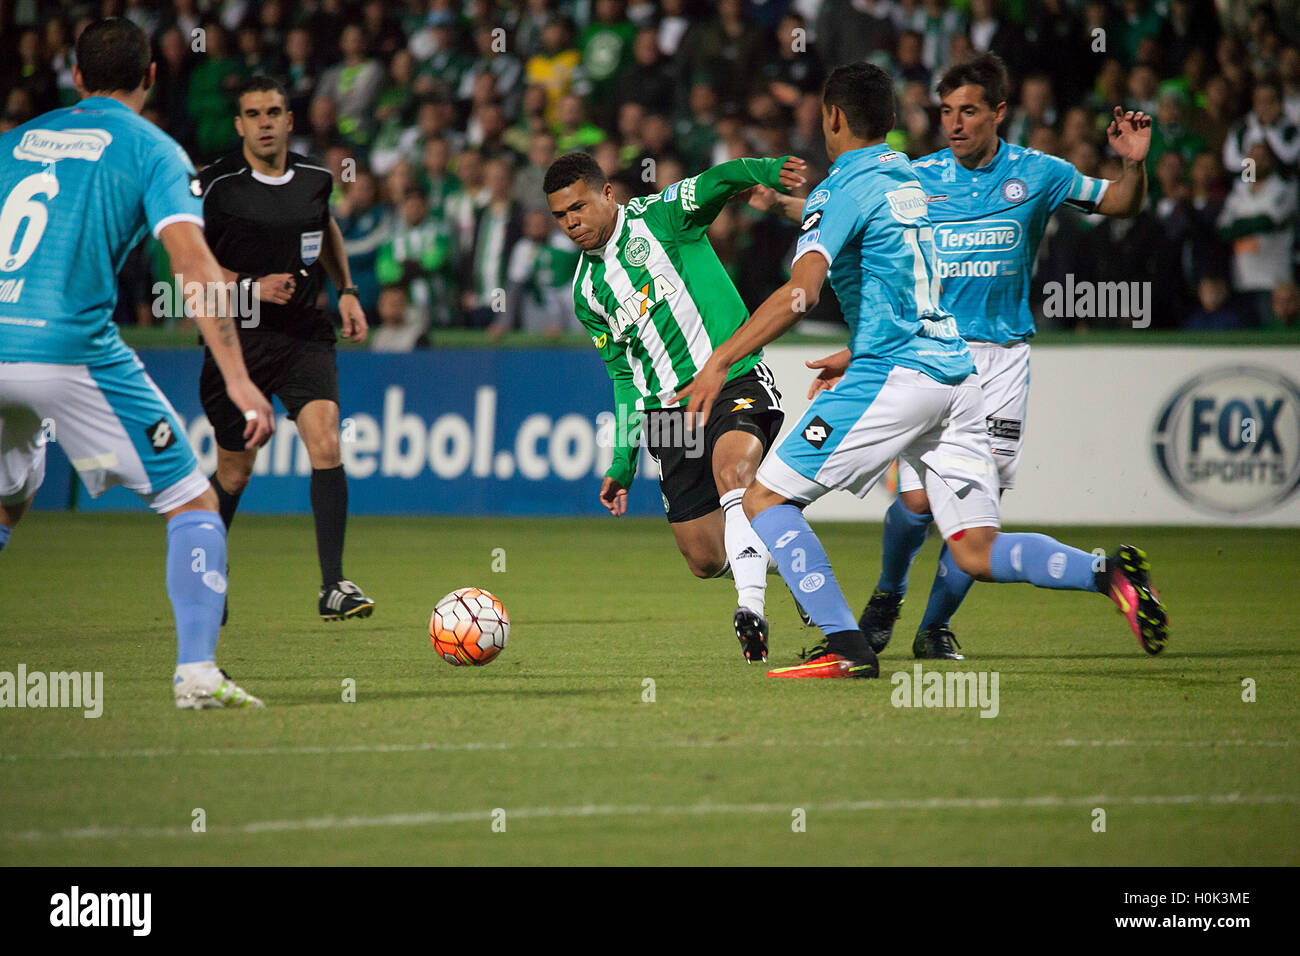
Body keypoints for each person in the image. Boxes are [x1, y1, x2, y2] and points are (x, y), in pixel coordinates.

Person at [679, 63, 1168, 680]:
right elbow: (905, 272)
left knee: (764, 498)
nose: (956, 123)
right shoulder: (908, 177)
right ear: (895, 120)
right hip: (959, 378)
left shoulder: (847, 187)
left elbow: (802, 293)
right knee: (973, 548)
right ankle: (1106, 572)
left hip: (899, 373)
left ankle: (847, 644)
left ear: (832, 117)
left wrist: (720, 361)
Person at [0, 17, 274, 708]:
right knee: (192, 501)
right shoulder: (153, 150)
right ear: (152, 76)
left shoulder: (11, 145)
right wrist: (239, 380)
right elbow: (191, 264)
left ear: (74, 76)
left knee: (8, 497)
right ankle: (197, 675)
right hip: (67, 347)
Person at [544, 150, 804, 662]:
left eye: (578, 207)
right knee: (704, 558)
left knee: (735, 472)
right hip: (667, 416)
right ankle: (793, 557)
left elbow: (721, 179)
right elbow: (623, 375)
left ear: (608, 194)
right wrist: (622, 459)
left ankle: (751, 609)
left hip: (730, 376)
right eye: (560, 215)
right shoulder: (585, 291)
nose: (571, 222)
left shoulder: (664, 216)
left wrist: (769, 172)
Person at [197, 75, 375, 623]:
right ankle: (203, 574)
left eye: (274, 112)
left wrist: (345, 289)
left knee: (325, 441)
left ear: (289, 119)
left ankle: (333, 586)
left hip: (303, 334)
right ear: (240, 124)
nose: (266, 122)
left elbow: (326, 231)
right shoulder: (215, 185)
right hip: (238, 338)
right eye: (254, 114)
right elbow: (190, 265)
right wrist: (251, 285)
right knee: (235, 472)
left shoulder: (315, 180)